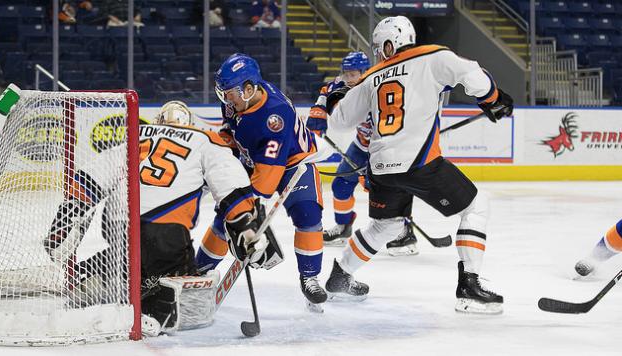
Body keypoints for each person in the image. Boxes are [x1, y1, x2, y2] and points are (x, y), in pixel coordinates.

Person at [324, 16, 513, 314]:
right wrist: (492, 99)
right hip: (420, 163)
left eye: (379, 47)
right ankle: (470, 286)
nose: (378, 53)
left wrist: (335, 96)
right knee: (476, 206)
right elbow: (473, 75)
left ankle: (340, 276)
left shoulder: (372, 76)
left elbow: (338, 120)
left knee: (386, 226)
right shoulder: (433, 56)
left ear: (390, 44)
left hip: (382, 167)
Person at [45, 100, 273, 335]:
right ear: (189, 124)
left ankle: (100, 276)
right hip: (165, 229)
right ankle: (157, 305)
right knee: (186, 289)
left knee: (129, 258)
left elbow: (97, 172)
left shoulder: (138, 134)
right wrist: (244, 223)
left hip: (118, 224)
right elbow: (228, 181)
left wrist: (70, 211)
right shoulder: (206, 139)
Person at [196, 53, 328, 311]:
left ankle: (309, 277)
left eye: (229, 93)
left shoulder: (274, 115)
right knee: (225, 219)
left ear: (248, 89)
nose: (225, 99)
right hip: (252, 160)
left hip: (292, 163)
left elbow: (267, 179)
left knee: (308, 216)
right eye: (223, 93)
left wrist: (250, 214)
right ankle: (199, 270)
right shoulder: (238, 98)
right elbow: (230, 129)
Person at [307, 51, 419, 256]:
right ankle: (343, 227)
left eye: (353, 75)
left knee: (385, 193)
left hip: (385, 149)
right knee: (341, 184)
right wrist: (318, 111)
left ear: (365, 72)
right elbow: (327, 90)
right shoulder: (344, 84)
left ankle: (403, 231)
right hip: (360, 145)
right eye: (346, 74)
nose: (349, 79)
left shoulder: (378, 87)